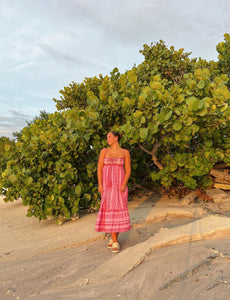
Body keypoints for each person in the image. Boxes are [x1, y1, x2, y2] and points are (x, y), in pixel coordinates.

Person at [95, 131, 131, 253]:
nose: (107, 139)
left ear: (116, 138)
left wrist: (124, 184)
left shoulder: (125, 152)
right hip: (107, 185)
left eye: (109, 137)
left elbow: (128, 170)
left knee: (119, 211)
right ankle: (115, 240)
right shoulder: (104, 151)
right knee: (109, 210)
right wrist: (100, 184)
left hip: (120, 185)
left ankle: (114, 239)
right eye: (107, 137)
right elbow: (99, 169)